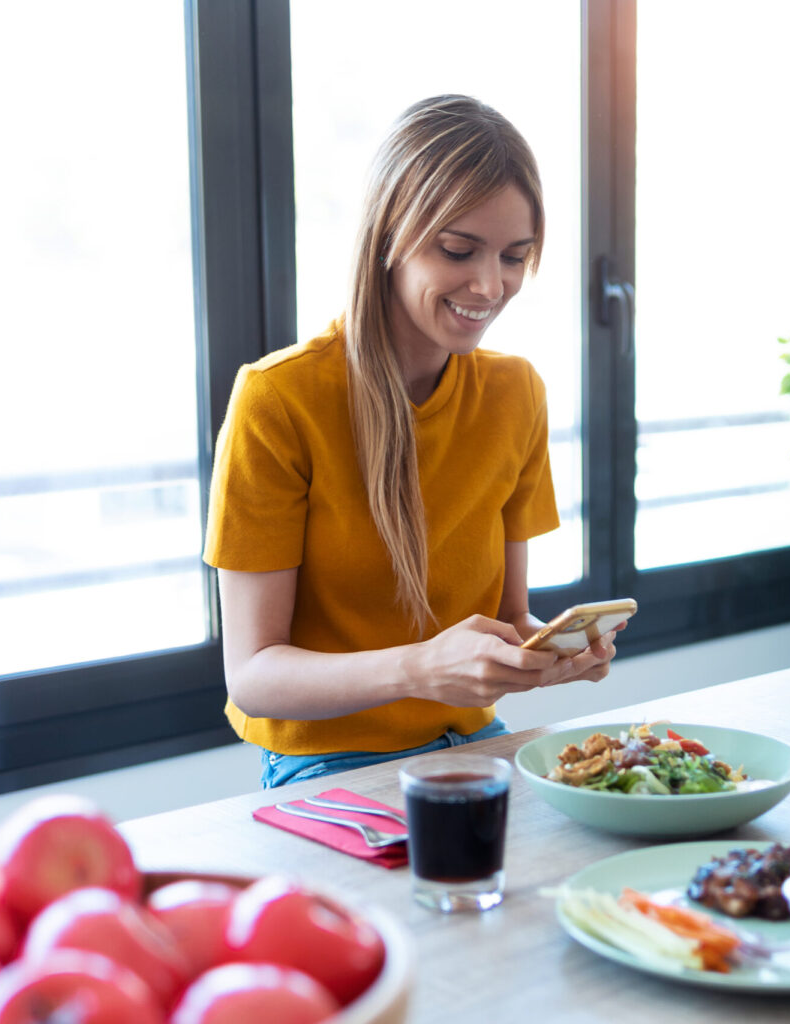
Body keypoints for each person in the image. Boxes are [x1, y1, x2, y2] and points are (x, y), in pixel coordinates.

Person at [203, 94, 622, 788]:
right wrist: (421, 666)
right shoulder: (277, 401)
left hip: (476, 744)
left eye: (515, 257)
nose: (490, 286)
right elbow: (253, 676)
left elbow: (510, 618)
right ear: (391, 235)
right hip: (327, 764)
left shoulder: (516, 394)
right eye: (458, 250)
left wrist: (549, 656)